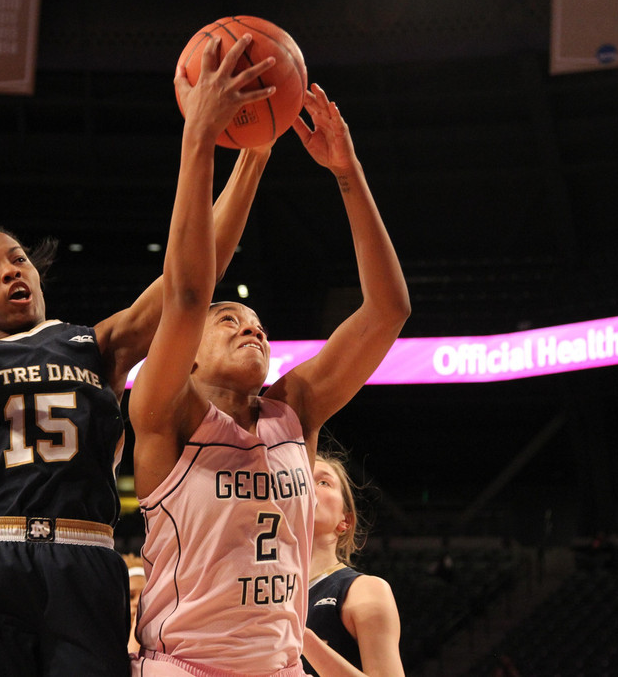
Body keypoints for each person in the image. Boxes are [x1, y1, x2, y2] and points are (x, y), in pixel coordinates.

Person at [0, 66, 272, 676]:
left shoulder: (96, 345)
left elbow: (192, 278)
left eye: (18, 259)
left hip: (85, 556)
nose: (11, 269)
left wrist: (253, 157)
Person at [129, 35, 411, 677]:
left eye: (257, 325)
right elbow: (188, 293)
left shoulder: (295, 410)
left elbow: (388, 311)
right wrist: (200, 140)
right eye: (229, 321)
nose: (251, 329)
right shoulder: (164, 411)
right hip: (185, 667)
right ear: (187, 355)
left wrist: (347, 172)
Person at [301, 453, 404, 677]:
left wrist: (302, 637)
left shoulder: (364, 590)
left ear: (345, 520)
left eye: (323, 482)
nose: (307, 486)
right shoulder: (261, 595)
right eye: (300, 478)